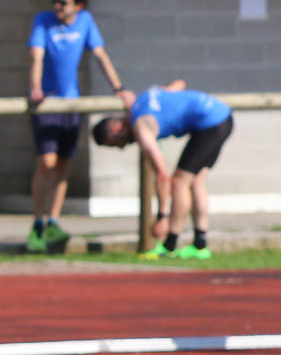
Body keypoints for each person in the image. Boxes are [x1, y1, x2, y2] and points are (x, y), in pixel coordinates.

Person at [26, 0, 133, 253]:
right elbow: (35, 56)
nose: (57, 7)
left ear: (78, 6)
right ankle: (37, 223)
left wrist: (118, 88)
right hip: (48, 103)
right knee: (46, 162)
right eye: (55, 1)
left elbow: (100, 55)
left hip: (72, 103)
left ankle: (53, 220)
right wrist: (35, 88)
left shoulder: (85, 21)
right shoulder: (43, 21)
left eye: (63, 3)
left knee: (62, 164)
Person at [90, 81, 233, 260]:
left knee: (179, 182)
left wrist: (162, 217)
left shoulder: (142, 128)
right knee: (196, 181)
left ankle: (169, 245)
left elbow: (162, 176)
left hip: (210, 124)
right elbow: (179, 84)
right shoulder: (145, 97)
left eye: (115, 144)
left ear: (117, 129)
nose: (121, 147)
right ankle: (200, 245)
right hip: (223, 115)